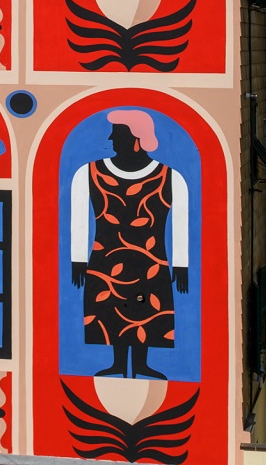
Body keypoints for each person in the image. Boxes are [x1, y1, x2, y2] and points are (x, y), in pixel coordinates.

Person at [68, 110, 191, 378]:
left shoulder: (171, 177)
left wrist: (181, 264)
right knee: (110, 309)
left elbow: (180, 221)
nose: (111, 139)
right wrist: (77, 259)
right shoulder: (88, 173)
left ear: (137, 138)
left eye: (118, 133)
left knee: (146, 311)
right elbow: (78, 216)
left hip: (151, 260)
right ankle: (118, 363)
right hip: (106, 259)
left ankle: (141, 364)